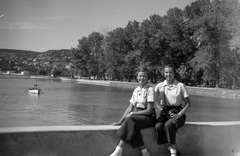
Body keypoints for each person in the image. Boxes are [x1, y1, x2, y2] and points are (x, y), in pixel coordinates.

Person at [110, 67, 155, 156]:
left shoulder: (150, 90)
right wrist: (120, 121)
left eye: (144, 76)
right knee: (132, 127)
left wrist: (133, 114)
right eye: (140, 76)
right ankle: (145, 152)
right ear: (137, 77)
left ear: (148, 78)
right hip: (137, 117)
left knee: (130, 120)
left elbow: (149, 111)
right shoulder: (136, 90)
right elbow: (129, 108)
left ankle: (119, 150)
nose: (142, 78)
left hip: (148, 117)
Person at [154, 64, 191, 156]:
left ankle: (173, 151)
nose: (168, 74)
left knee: (168, 125)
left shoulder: (180, 86)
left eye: (171, 72)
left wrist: (179, 115)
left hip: (177, 112)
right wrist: (160, 109)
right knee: (158, 126)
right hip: (165, 112)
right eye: (166, 72)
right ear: (164, 73)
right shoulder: (160, 85)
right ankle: (170, 148)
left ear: (174, 74)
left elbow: (188, 104)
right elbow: (153, 100)